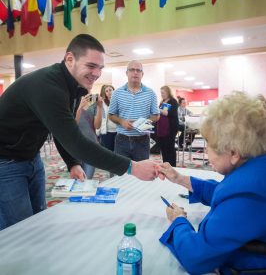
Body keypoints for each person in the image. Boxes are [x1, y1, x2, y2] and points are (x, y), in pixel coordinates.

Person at [0, 34, 161, 230]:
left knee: (37, 221)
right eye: (91, 66)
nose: (96, 73)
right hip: (5, 161)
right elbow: (76, 142)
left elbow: (60, 129)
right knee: (16, 229)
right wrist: (132, 168)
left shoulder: (72, 86)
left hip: (31, 157)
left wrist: (72, 163)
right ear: (70, 59)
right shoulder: (48, 86)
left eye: (100, 68)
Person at [158, 91, 266, 274]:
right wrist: (180, 179)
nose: (207, 151)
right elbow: (228, 192)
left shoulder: (249, 196)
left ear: (234, 153)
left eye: (210, 143)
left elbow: (195, 257)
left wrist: (178, 220)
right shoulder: (259, 168)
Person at [108, 60, 160, 161]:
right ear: (127, 73)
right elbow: (111, 115)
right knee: (121, 174)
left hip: (142, 140)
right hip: (122, 140)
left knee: (142, 174)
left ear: (142, 74)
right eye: (132, 70)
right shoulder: (117, 93)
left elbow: (156, 115)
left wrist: (143, 123)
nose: (135, 72)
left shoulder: (150, 93)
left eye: (138, 70)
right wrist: (122, 121)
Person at [76, 93, 103, 179]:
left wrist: (100, 107)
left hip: (91, 144)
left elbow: (97, 126)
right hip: (75, 145)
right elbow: (73, 125)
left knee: (88, 177)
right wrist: (80, 108)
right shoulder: (73, 101)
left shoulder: (94, 104)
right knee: (77, 178)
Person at [156, 86, 178, 167]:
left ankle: (172, 165)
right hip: (161, 128)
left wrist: (157, 109)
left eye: (163, 93)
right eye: (161, 93)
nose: (161, 94)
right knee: (163, 148)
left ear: (168, 92)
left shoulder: (173, 101)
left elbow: (170, 113)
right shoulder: (162, 102)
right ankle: (166, 164)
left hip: (170, 128)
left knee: (170, 148)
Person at [98, 84, 117, 152]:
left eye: (110, 90)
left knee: (118, 152)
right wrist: (98, 131)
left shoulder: (119, 102)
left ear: (114, 90)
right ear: (104, 93)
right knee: (108, 151)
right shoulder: (102, 104)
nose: (109, 92)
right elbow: (102, 117)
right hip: (107, 132)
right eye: (106, 91)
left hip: (118, 131)